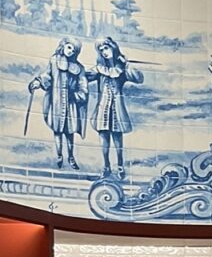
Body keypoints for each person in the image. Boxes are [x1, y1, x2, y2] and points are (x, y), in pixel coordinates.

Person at [28, 37, 88, 169]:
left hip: (71, 104)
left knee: (69, 132)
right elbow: (47, 76)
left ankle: (71, 156)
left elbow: (83, 86)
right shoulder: (54, 61)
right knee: (57, 130)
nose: (71, 51)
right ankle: (59, 155)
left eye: (74, 49)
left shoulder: (79, 68)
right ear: (63, 46)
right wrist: (38, 82)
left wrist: (78, 95)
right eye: (69, 47)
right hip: (56, 102)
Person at [88, 37, 143, 178]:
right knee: (103, 138)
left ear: (113, 48)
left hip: (117, 109)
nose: (105, 52)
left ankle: (120, 166)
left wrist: (127, 64)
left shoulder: (121, 69)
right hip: (102, 108)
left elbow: (138, 78)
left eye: (106, 48)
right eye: (101, 50)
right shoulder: (100, 69)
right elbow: (85, 76)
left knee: (118, 140)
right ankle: (106, 167)